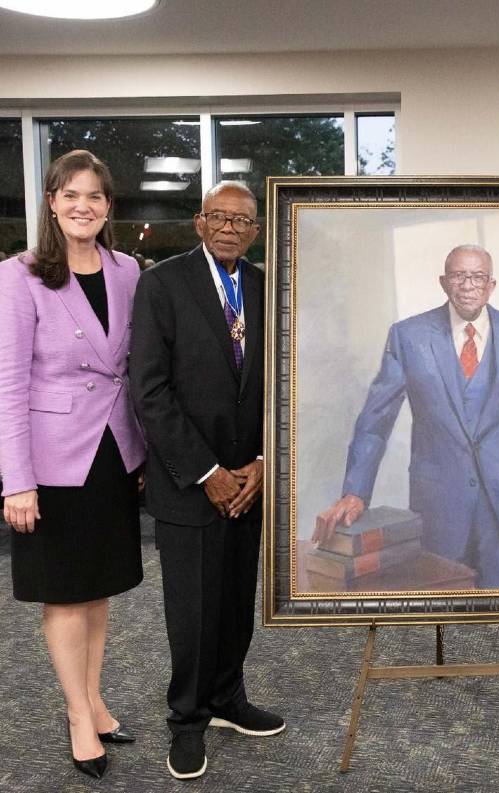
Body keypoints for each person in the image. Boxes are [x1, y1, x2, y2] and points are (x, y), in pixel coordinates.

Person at [129, 181, 283, 781]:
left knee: (236, 600)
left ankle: (227, 699)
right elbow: (150, 390)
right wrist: (207, 471)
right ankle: (187, 720)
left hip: (252, 478)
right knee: (192, 611)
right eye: (217, 216)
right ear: (198, 223)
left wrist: (265, 463)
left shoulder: (269, 288)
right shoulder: (162, 285)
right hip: (189, 481)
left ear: (255, 231)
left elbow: (285, 381)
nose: (228, 227)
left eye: (241, 220)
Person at [0, 150, 145, 780]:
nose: (82, 206)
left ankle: (95, 697)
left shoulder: (129, 269)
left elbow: (134, 365)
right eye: (70, 195)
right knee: (63, 593)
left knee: (99, 586)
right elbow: (6, 383)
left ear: (108, 206)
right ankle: (78, 715)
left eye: (95, 196)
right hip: (53, 457)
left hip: (115, 451)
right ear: (52, 203)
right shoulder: (19, 275)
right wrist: (16, 481)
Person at [315, 244, 499, 589]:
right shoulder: (409, 336)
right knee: (441, 615)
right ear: (444, 282)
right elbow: (375, 420)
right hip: (440, 510)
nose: (468, 285)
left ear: (492, 285)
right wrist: (355, 491)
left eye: (478, 277)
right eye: (459, 276)